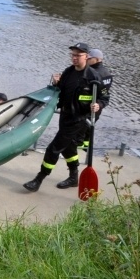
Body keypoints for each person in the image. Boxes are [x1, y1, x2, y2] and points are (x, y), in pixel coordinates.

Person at [23, 43, 105, 192]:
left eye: (78, 55)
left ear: (86, 56)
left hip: (79, 119)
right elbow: (61, 90)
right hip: (65, 115)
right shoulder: (68, 72)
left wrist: (98, 104)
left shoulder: (93, 76)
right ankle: (74, 177)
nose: (74, 58)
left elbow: (104, 97)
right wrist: (56, 83)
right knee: (68, 148)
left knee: (53, 148)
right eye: (72, 55)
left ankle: (39, 179)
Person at [81, 49, 113, 148]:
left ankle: (81, 148)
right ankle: (85, 147)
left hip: (91, 106)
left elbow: (103, 93)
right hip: (96, 106)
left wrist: (98, 104)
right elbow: (105, 93)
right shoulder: (106, 73)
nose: (87, 60)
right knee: (88, 128)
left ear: (97, 59)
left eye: (89, 58)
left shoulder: (94, 73)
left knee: (82, 128)